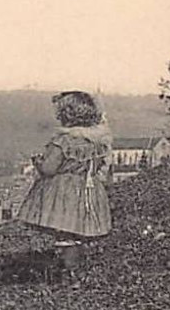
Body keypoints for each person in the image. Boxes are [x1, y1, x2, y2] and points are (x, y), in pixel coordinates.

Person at [13, 89, 113, 270]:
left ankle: (65, 269)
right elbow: (98, 166)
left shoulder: (63, 141)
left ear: (66, 115)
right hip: (87, 190)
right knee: (77, 231)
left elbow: (49, 169)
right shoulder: (96, 142)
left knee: (63, 231)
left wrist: (38, 162)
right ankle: (77, 268)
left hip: (63, 194)